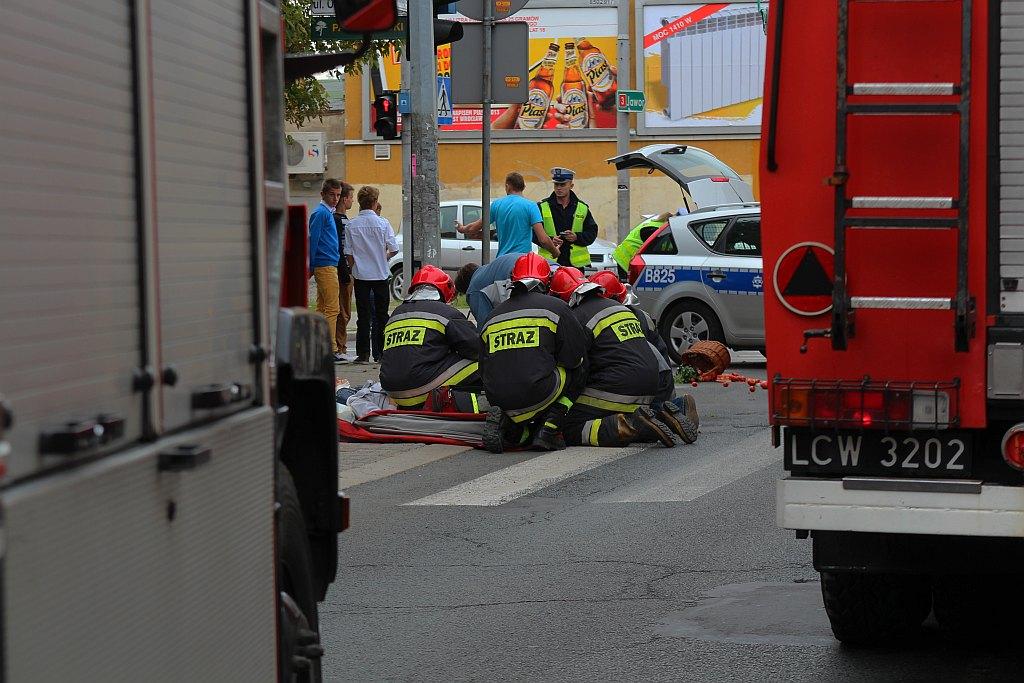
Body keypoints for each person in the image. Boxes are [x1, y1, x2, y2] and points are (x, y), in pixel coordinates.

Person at [548, 267, 687, 448]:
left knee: (568, 426)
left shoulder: (576, 317)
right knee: (629, 409)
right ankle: (658, 417)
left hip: (618, 390)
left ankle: (627, 427)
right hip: (650, 391)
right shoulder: (621, 309)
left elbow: (578, 368)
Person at [479, 253, 589, 452]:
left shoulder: (491, 317)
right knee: (580, 367)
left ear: (512, 281)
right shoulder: (557, 308)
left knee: (522, 405)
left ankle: (513, 430)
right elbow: (573, 358)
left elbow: (483, 366)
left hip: (497, 396)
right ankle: (549, 428)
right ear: (547, 282)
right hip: (539, 392)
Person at [588, 269, 699, 442]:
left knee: (632, 418)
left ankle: (649, 423)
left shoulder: (598, 317)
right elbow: (662, 352)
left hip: (632, 384)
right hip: (660, 380)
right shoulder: (642, 316)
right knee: (653, 408)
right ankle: (678, 407)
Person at [379, 266, 481, 409]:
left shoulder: (396, 313)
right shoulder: (446, 313)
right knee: (483, 363)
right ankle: (475, 408)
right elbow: (476, 347)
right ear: (444, 289)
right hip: (420, 388)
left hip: (392, 391)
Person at [345, 186, 399, 363]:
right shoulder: (383, 224)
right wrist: (383, 257)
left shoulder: (351, 225)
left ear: (360, 203)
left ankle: (363, 353)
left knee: (363, 316)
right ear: (375, 203)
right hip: (380, 275)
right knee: (382, 316)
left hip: (361, 276)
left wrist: (355, 268)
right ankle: (381, 353)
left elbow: (349, 253)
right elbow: (394, 248)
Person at [455, 172, 562, 259]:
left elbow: (474, 227)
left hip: (503, 260)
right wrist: (555, 252)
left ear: (507, 186)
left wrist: (462, 228)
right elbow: (543, 239)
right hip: (522, 260)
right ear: (523, 187)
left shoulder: (497, 205)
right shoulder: (531, 206)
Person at [309, 178, 344, 363]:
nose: (335, 199)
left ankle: (318, 346)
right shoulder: (321, 213)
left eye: (338, 195)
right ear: (323, 194)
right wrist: (311, 265)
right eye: (332, 194)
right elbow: (313, 240)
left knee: (323, 308)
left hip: (328, 263)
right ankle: (330, 349)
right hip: (324, 264)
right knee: (332, 308)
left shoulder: (326, 212)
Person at [537, 167, 599, 269]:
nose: (558, 188)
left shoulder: (582, 207)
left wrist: (577, 237)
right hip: (550, 264)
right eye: (556, 184)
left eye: (562, 184)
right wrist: (550, 240)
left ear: (571, 185)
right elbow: (533, 233)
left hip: (577, 266)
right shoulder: (542, 207)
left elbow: (592, 232)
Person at [453, 252, 524, 330]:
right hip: (532, 264)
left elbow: (486, 326)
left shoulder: (474, 289)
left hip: (513, 277)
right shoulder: (487, 272)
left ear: (465, 288)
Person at [612, 212, 672, 280]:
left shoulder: (655, 225)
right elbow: (653, 248)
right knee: (628, 285)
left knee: (627, 283)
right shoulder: (655, 229)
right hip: (626, 256)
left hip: (624, 254)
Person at [333, 182, 355, 360]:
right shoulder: (336, 219)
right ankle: (339, 347)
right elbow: (339, 248)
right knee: (342, 311)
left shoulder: (346, 220)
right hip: (342, 270)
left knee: (345, 310)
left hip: (348, 269)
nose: (352, 201)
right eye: (350, 197)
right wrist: (344, 270)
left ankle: (342, 346)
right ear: (344, 198)